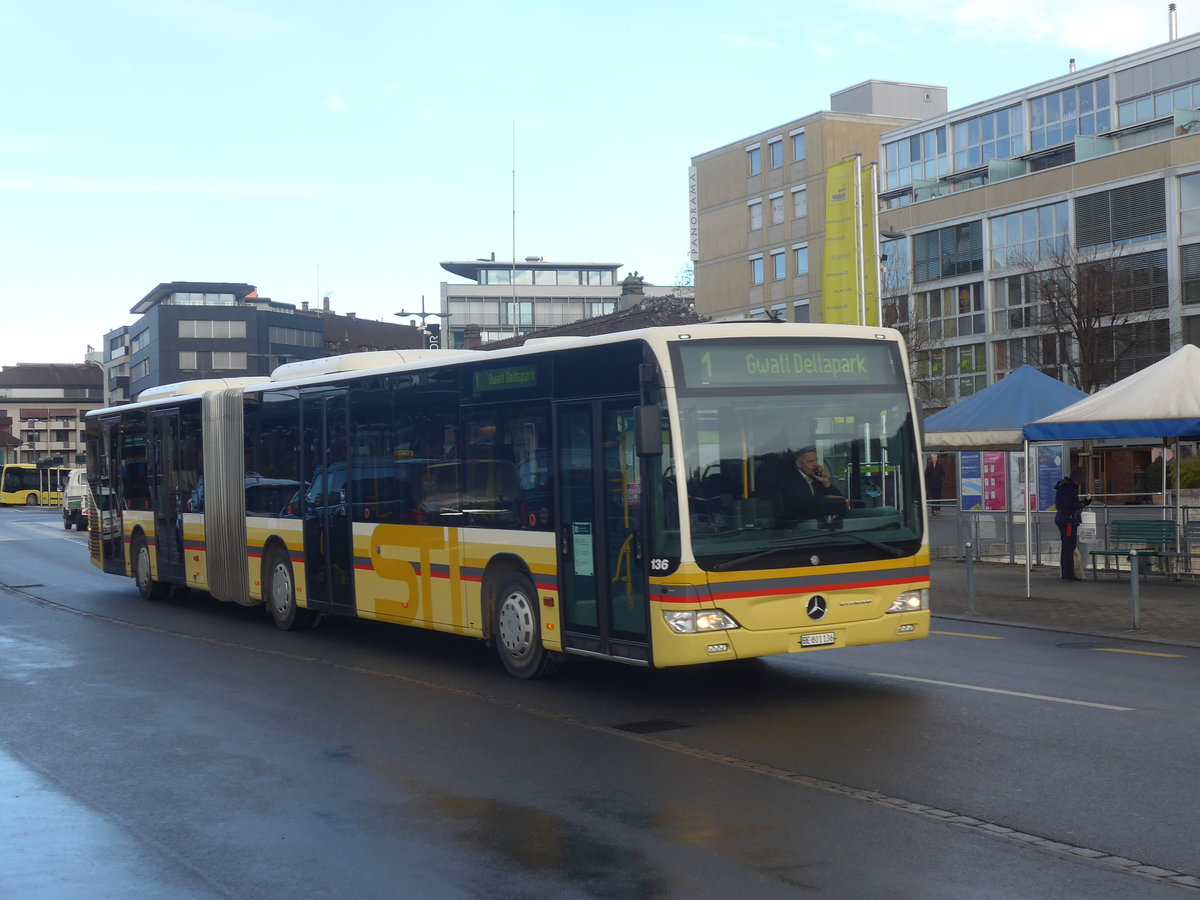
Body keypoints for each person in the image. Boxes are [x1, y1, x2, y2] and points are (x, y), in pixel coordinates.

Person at [778, 446, 846, 521]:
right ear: (799, 463)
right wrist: (825, 499)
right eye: (811, 461)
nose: (815, 465)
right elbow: (803, 503)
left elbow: (841, 501)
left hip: (820, 522)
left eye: (816, 460)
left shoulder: (816, 477)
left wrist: (826, 482)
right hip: (799, 523)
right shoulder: (790, 480)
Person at [1054, 467, 1090, 581]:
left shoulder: (1064, 486)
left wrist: (1081, 503)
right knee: (1069, 547)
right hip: (1068, 521)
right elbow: (1069, 504)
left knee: (1067, 546)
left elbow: (1067, 503)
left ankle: (1066, 572)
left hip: (1063, 519)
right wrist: (1082, 504)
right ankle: (1068, 574)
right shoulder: (1069, 488)